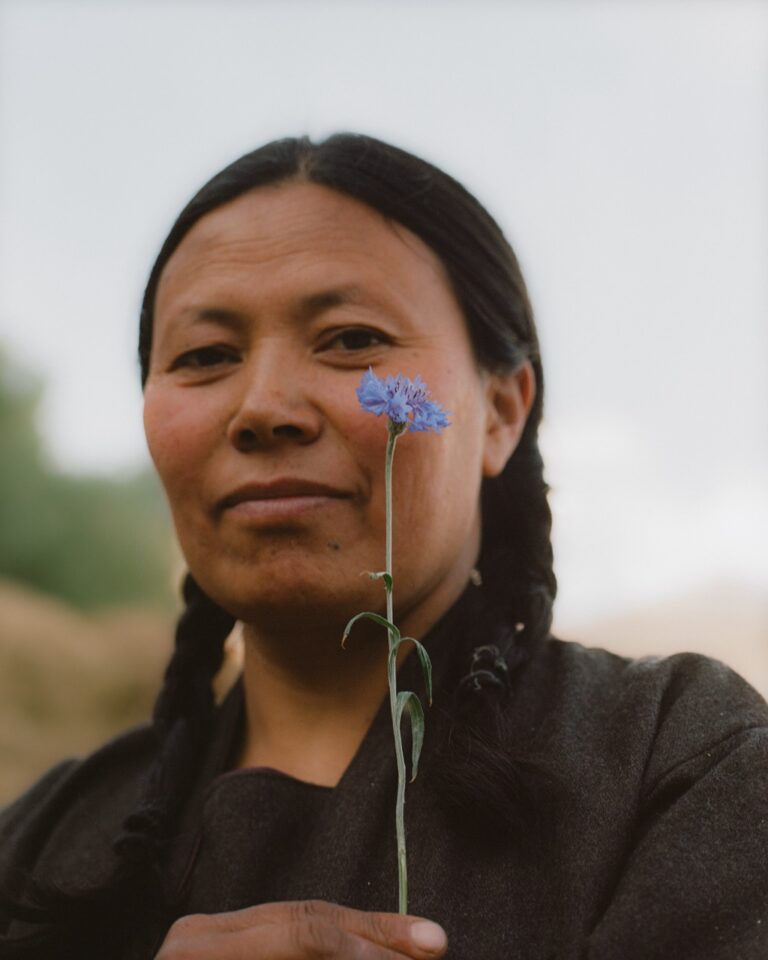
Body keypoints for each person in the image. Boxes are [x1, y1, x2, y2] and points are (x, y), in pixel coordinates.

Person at [0, 133, 766, 960]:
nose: (263, 406)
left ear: (503, 411)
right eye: (206, 355)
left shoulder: (679, 765)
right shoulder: (39, 844)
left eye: (351, 339)